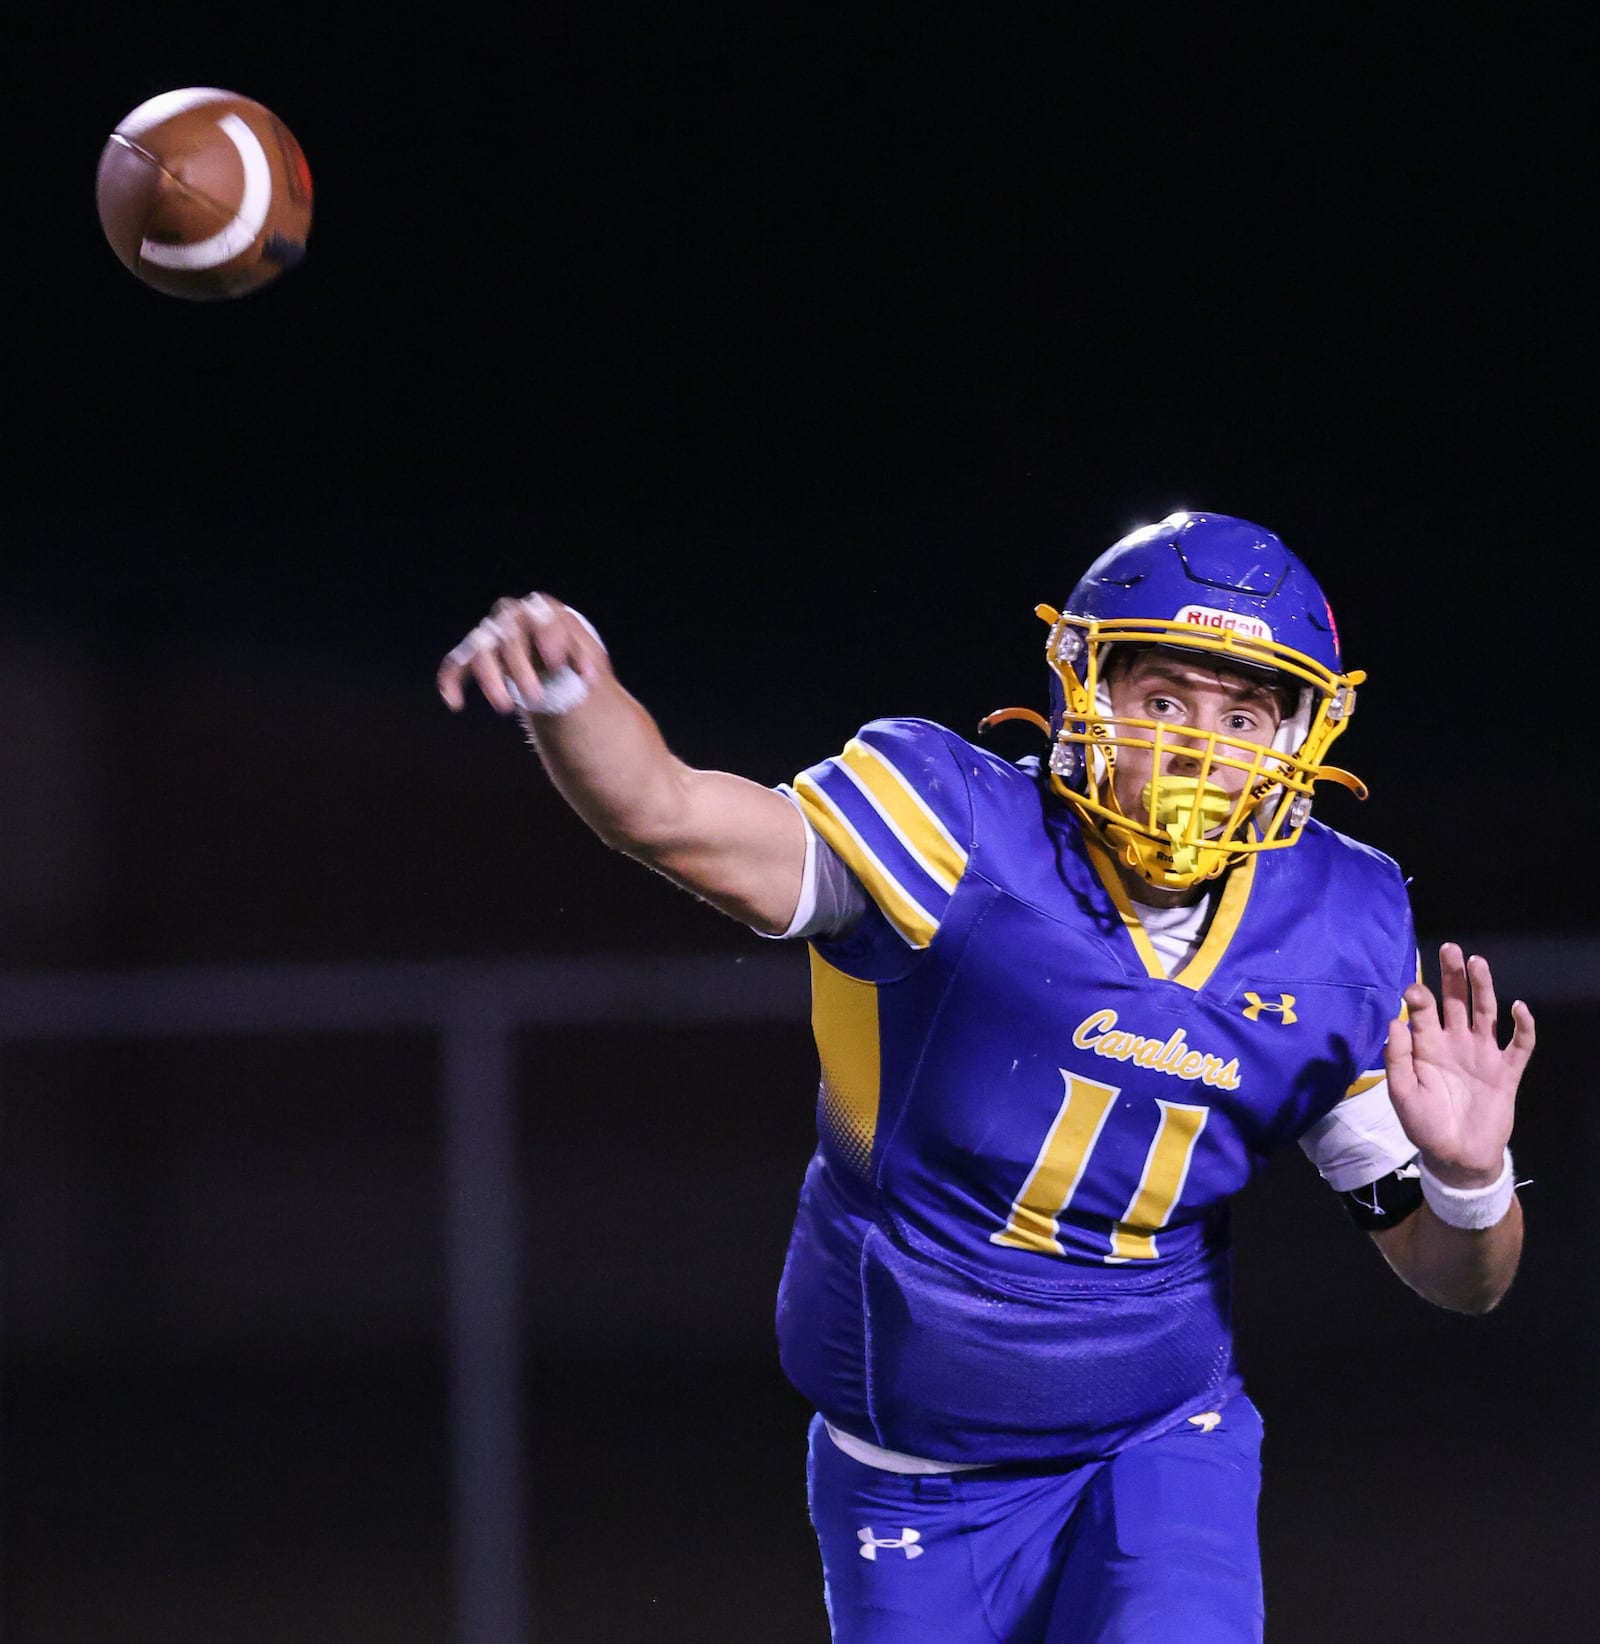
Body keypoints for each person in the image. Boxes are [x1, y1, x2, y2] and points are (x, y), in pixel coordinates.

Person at [436, 510, 1533, 1644]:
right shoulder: (950, 824)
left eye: (1243, 715)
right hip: (910, 1465)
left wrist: (1468, 1181)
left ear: (1303, 735)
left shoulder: (1337, 925)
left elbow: (1466, 1280)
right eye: (1163, 702)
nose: (1201, 749)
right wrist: (568, 689)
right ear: (1084, 691)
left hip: (1157, 1443)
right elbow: (664, 811)